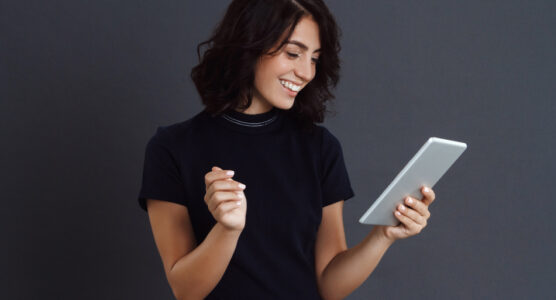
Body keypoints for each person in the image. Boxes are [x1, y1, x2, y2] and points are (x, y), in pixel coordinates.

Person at [137, 0, 435, 299]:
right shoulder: (172, 148)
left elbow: (329, 285)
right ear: (248, 44)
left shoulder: (320, 148)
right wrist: (227, 230)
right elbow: (185, 290)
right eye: (293, 53)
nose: (306, 73)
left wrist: (384, 235)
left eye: (315, 59)